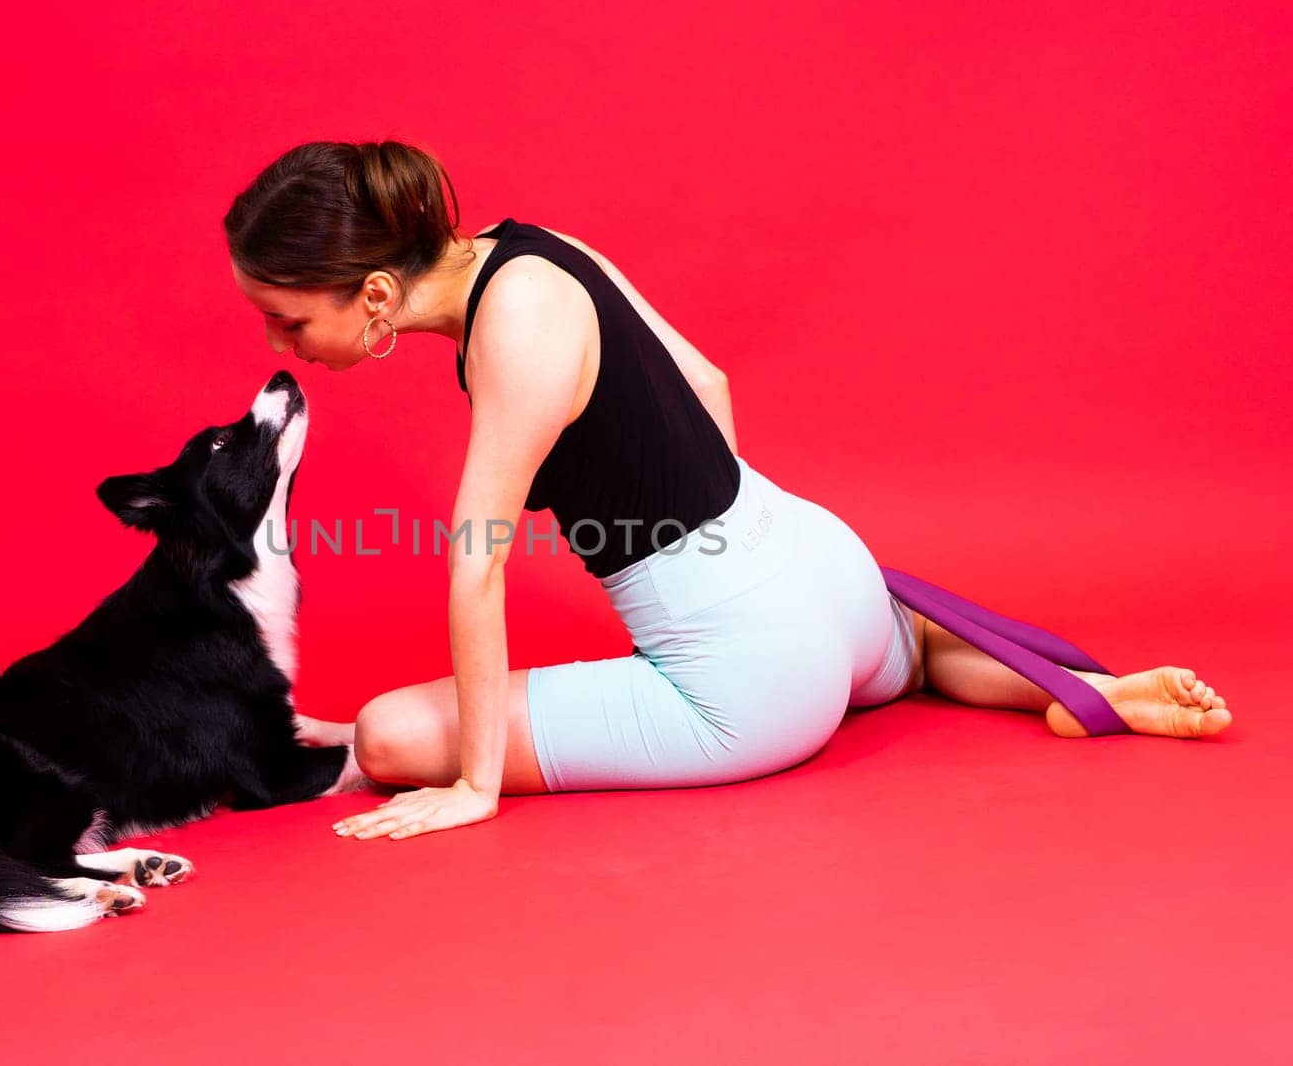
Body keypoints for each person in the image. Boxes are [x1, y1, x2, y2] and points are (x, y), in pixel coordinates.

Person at [224, 140, 1232, 842]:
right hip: (821, 562)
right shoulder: (531, 245)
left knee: (393, 732)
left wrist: (472, 785)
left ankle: (842, 676)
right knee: (912, 650)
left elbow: (475, 562)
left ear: (375, 296)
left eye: (290, 321)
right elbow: (707, 379)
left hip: (747, 686)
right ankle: (1085, 694)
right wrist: (741, 570)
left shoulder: (509, 334)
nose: (281, 346)